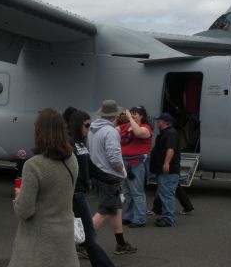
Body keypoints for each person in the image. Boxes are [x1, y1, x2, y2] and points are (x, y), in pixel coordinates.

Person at [8, 108, 79, 267]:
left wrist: (19, 196)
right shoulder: (72, 160)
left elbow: (24, 211)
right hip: (64, 239)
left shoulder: (33, 165)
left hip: (37, 243)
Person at [88, 99, 137, 255]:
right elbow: (114, 157)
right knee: (104, 210)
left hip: (98, 174)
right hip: (110, 177)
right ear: (114, 115)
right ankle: (81, 243)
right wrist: (122, 170)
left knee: (115, 209)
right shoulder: (110, 132)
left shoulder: (93, 129)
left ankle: (121, 243)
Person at [68, 110, 115, 267]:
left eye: (90, 125)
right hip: (74, 195)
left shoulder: (81, 143)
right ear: (77, 125)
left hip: (80, 193)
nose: (89, 129)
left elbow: (91, 168)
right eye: (87, 125)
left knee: (82, 237)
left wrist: (112, 179)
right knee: (89, 237)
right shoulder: (68, 143)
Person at [118, 106, 152, 228]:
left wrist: (129, 119)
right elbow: (112, 130)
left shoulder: (146, 128)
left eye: (135, 114)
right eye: (131, 113)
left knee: (137, 192)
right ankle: (128, 216)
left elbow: (138, 132)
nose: (132, 115)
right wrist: (117, 117)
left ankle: (139, 219)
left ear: (141, 116)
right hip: (124, 163)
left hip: (136, 164)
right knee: (127, 193)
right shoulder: (125, 126)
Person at [150, 112, 181, 228]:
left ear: (166, 122)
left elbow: (171, 149)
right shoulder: (166, 133)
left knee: (167, 194)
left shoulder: (171, 133)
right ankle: (166, 216)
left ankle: (169, 219)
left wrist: (166, 163)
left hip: (169, 171)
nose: (158, 122)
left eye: (160, 121)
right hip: (165, 171)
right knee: (165, 193)